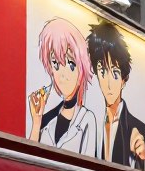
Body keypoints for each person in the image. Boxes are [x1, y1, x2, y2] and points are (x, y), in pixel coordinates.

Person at [28, 18, 97, 156]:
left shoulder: (87, 120)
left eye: (71, 64)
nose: (63, 75)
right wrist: (36, 122)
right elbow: (28, 162)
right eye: (56, 64)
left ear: (81, 67)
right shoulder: (46, 120)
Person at [88, 21, 145, 171]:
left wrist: (142, 159)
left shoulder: (140, 130)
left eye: (115, 73)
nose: (108, 83)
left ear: (124, 79)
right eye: (102, 71)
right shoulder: (92, 123)